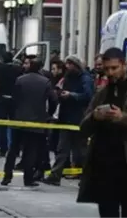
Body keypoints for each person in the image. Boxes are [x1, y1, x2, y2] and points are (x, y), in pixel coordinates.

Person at [77, 47, 127, 218]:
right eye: (106, 69)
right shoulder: (102, 93)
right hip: (104, 167)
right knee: (107, 212)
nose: (110, 73)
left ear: (123, 65)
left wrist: (123, 118)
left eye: (114, 68)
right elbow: (83, 128)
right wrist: (95, 117)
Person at [1, 59, 57, 187]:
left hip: (19, 119)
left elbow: (14, 99)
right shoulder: (45, 82)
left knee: (13, 149)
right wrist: (48, 115)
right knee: (31, 151)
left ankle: (7, 176)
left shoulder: (20, 80)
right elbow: (53, 100)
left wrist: (14, 114)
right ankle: (28, 178)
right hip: (37, 120)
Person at [43, 55, 93, 185]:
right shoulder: (67, 77)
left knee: (81, 151)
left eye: (70, 64)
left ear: (76, 65)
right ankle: (55, 175)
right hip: (66, 118)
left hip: (79, 119)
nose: (67, 66)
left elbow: (88, 96)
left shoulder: (85, 78)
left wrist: (71, 95)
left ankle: (88, 177)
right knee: (62, 149)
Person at [0, 52, 22, 157]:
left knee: (2, 127)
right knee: (15, 126)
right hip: (14, 100)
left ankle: (3, 150)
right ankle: (15, 149)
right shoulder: (17, 70)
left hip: (2, 99)